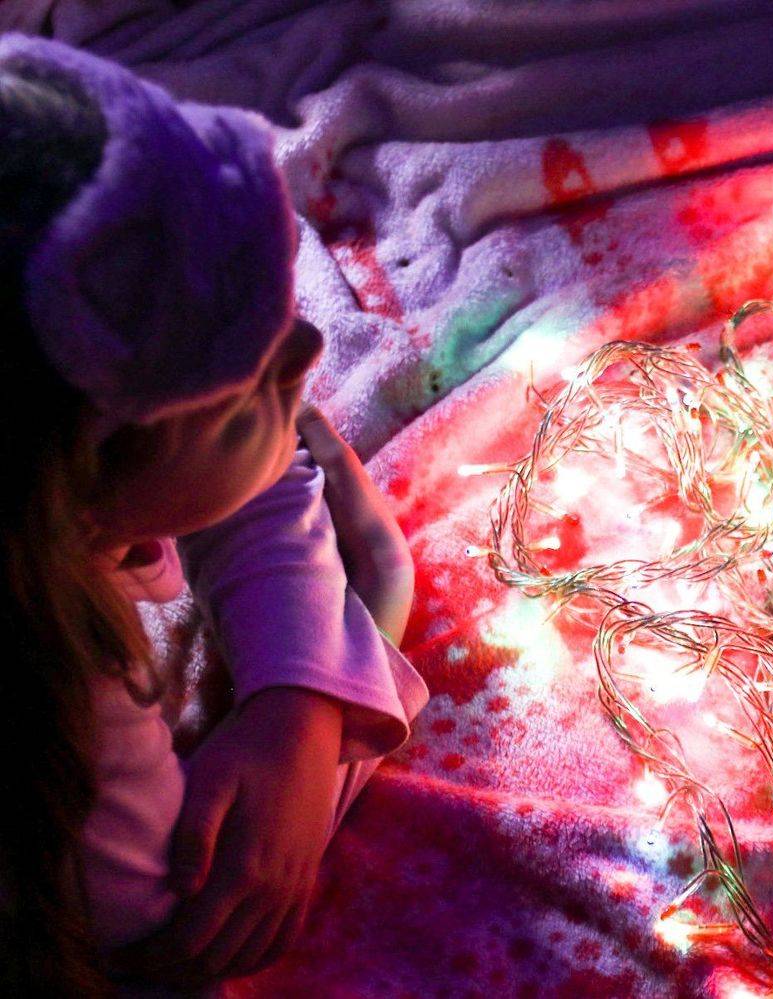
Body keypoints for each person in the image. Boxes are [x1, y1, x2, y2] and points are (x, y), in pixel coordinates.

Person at [0, 35, 428, 993]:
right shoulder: (65, 721)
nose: (310, 352)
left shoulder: (48, 469)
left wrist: (300, 695)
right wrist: (380, 609)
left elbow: (254, 477)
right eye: (243, 397)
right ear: (76, 502)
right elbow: (189, 922)